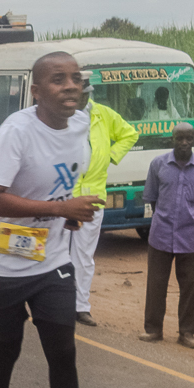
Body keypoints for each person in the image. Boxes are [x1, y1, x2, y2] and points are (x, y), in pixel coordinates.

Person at [0, 51, 108, 388]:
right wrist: (58, 208)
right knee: (7, 348)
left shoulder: (82, 126)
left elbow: (60, 181)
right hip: (2, 264)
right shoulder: (16, 132)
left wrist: (65, 216)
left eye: (76, 78)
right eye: (57, 79)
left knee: (64, 353)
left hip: (51, 261)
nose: (70, 86)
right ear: (36, 91)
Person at [139, 123, 194, 348]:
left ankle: (187, 332)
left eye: (188, 139)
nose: (184, 143)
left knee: (191, 286)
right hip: (161, 234)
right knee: (156, 284)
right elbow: (151, 197)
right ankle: (153, 329)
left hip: (190, 236)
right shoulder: (158, 164)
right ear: (171, 139)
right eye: (179, 138)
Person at [69, 83, 138, 326]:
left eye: (83, 93)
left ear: (88, 94)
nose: (79, 97)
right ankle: (54, 302)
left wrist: (109, 156)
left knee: (84, 256)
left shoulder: (102, 114)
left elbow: (129, 134)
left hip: (92, 199)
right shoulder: (58, 115)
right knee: (54, 252)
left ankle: (81, 306)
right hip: (62, 198)